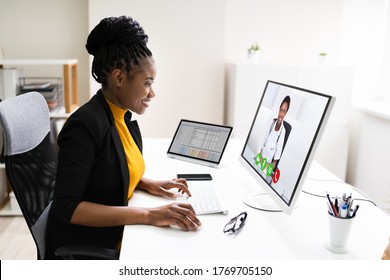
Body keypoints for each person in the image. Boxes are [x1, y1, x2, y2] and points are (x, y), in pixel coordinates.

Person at [46, 16, 201, 259]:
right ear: (119, 78)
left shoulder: (118, 116)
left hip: (118, 232)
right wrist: (150, 215)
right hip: (91, 243)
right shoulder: (85, 125)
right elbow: (66, 208)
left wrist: (147, 182)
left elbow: (106, 170)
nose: (152, 93)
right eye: (148, 83)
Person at [257, 96, 292, 176]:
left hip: (266, 167)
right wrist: (258, 159)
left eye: (284, 111)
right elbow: (261, 143)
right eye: (281, 110)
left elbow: (275, 161)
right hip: (259, 159)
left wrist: (267, 171)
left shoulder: (283, 132)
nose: (281, 114)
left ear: (286, 113)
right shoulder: (271, 123)